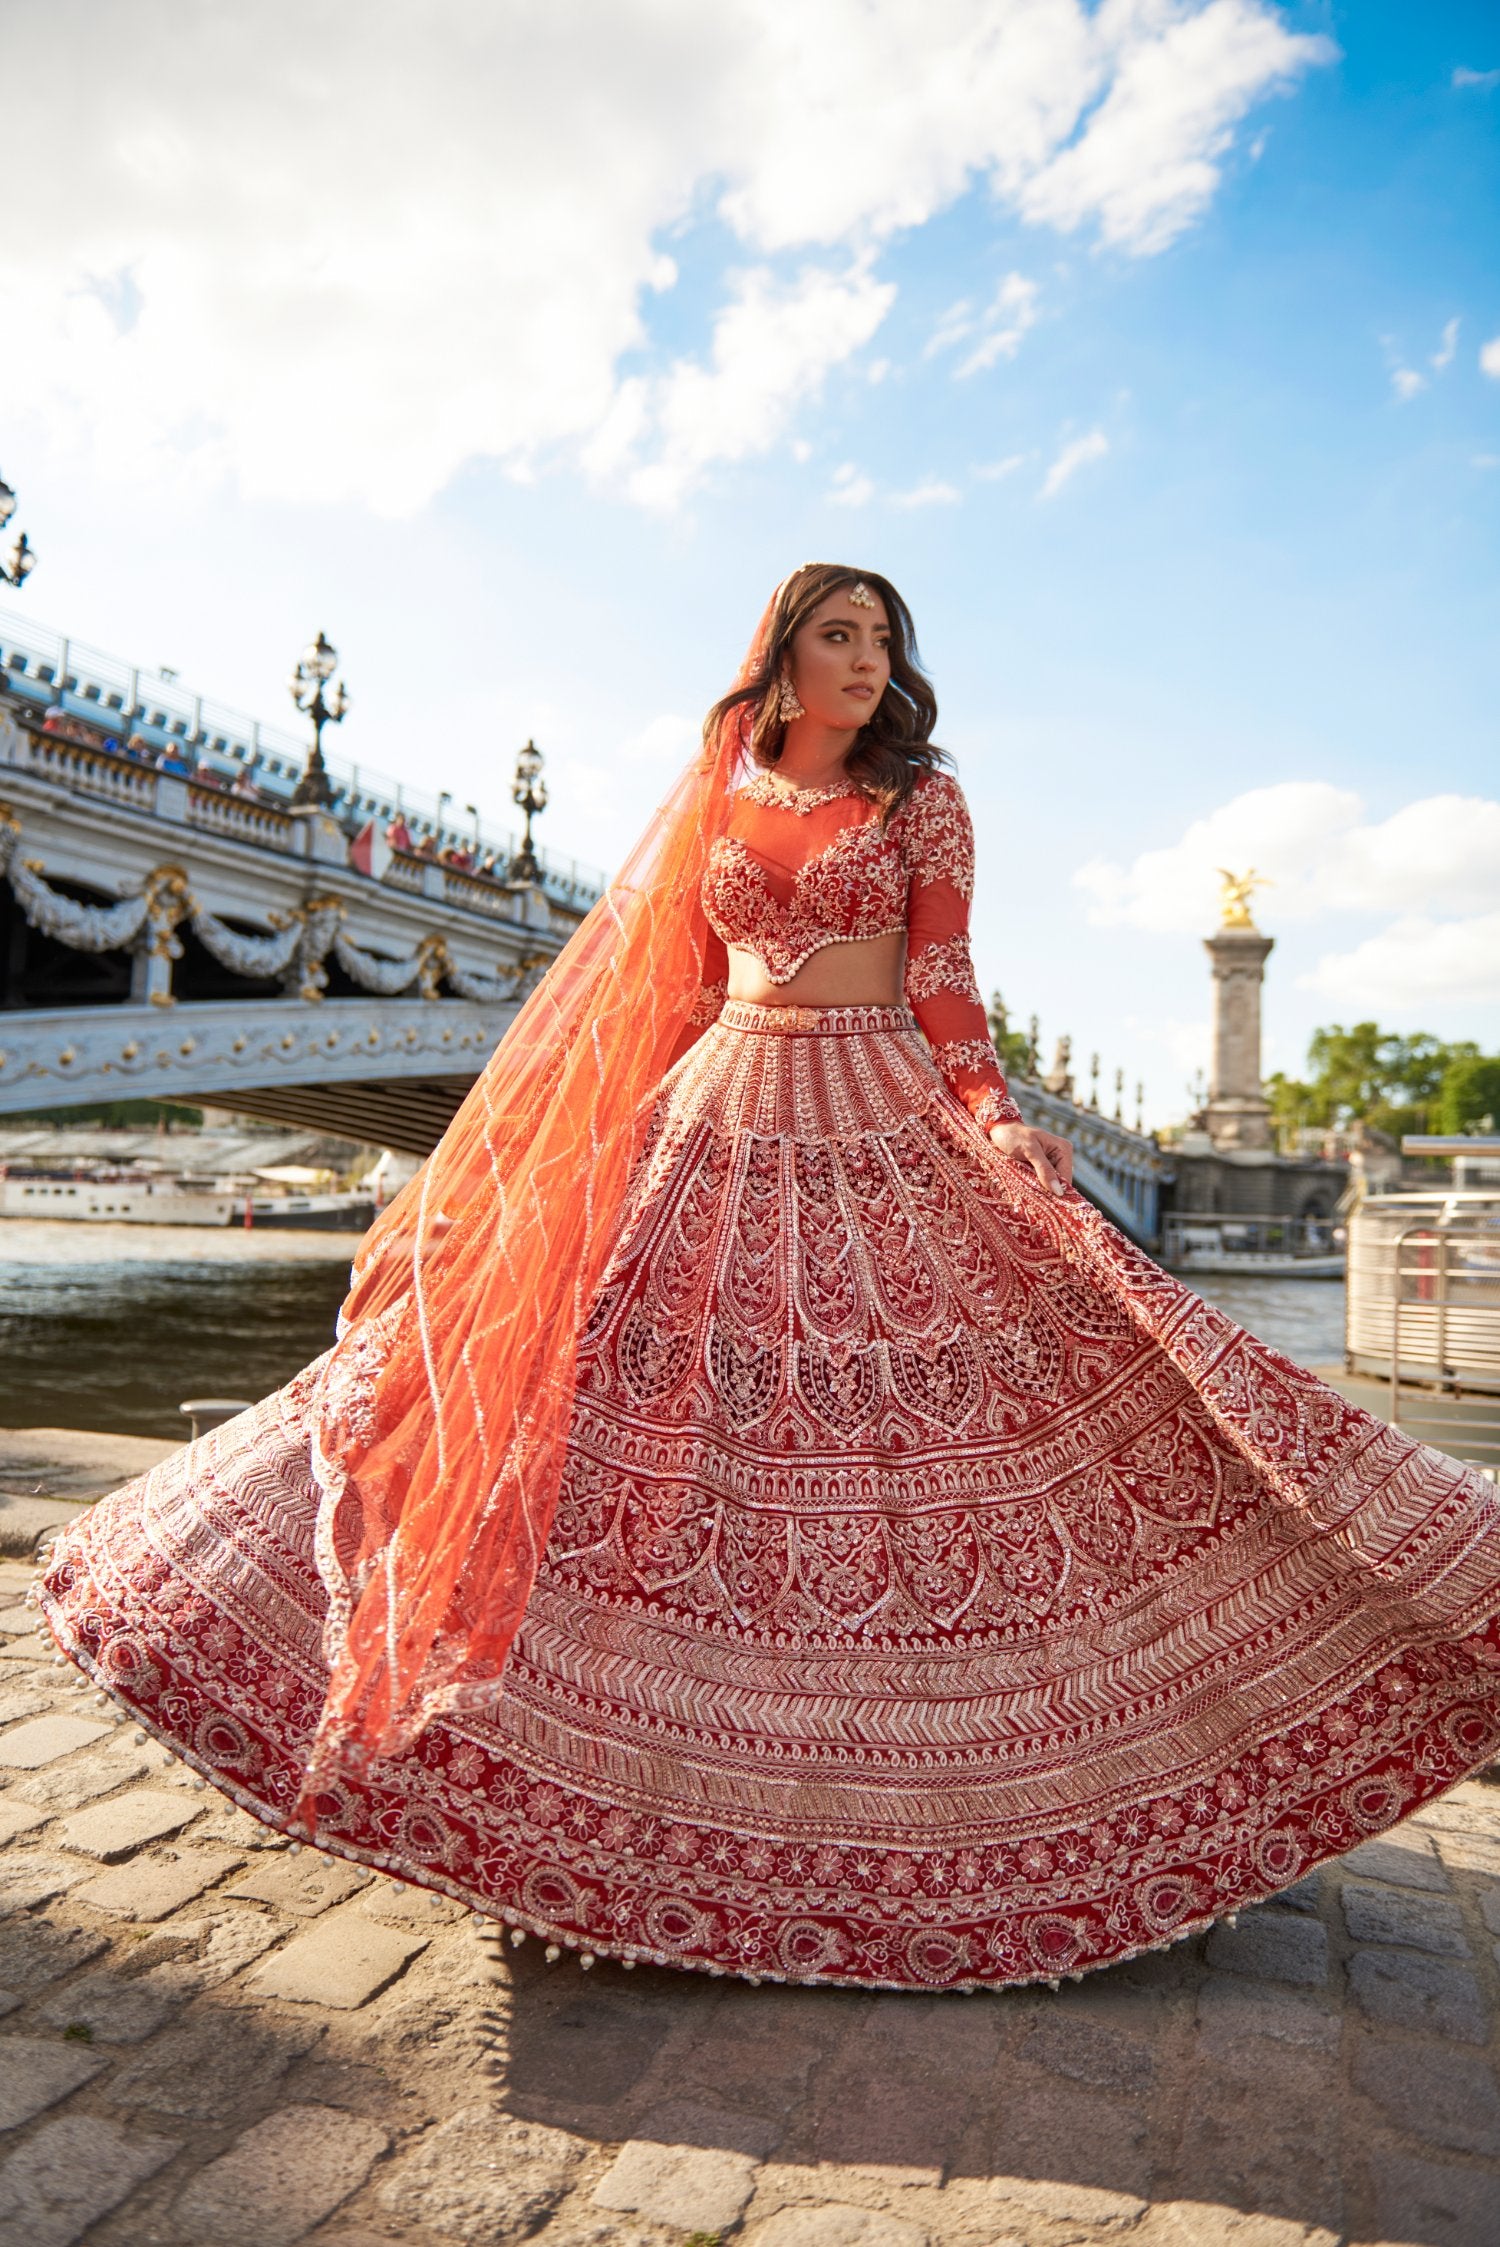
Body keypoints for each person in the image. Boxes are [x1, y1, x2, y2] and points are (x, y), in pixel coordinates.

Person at [37, 564, 1500, 1992]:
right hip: (716, 1111)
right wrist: (568, 1146)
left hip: (879, 1109)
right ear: (782, 655)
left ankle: (942, 1808)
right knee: (604, 1400)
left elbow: (944, 982)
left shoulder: (923, 800)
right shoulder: (721, 786)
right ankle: (537, 1791)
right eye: (839, 636)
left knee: (944, 1427)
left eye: (884, 640)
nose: (867, 663)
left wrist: (994, 1116)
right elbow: (661, 979)